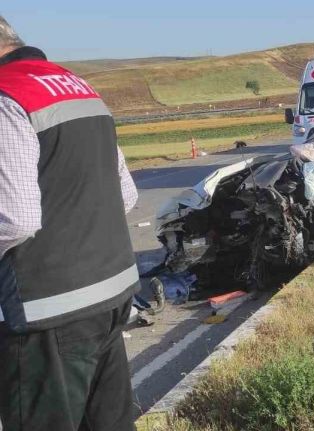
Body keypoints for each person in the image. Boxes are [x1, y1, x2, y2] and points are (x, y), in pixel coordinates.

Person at [0, 16, 139, 431]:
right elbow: (127, 195)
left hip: (46, 311)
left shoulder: (6, 97)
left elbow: (16, 219)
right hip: (112, 294)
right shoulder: (80, 88)